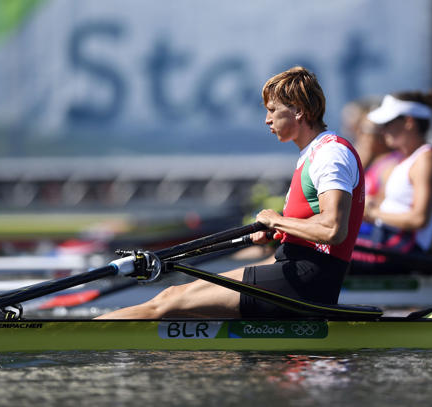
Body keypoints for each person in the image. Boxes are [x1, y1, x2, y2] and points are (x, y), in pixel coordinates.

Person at [97, 66, 365, 319]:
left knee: (167, 304)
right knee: (170, 296)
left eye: (273, 110)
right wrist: (279, 232)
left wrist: (277, 220)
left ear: (298, 110)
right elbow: (315, 224)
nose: (267, 119)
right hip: (294, 270)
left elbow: (333, 229)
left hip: (307, 281)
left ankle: (82, 339)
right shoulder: (314, 152)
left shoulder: (330, 154)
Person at [350, 91, 432, 273]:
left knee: (322, 251)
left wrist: (373, 213)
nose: (383, 130)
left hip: (402, 251)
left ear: (409, 122)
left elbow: (419, 219)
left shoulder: (427, 159)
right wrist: (372, 205)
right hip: (386, 242)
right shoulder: (407, 159)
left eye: (388, 123)